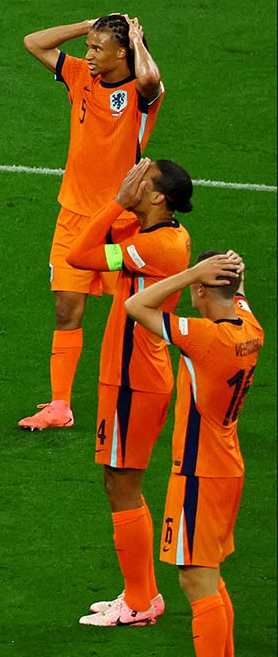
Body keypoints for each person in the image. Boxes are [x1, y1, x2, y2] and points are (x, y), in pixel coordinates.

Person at [18, 14, 163, 431]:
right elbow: (34, 41)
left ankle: (140, 393)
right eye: (90, 46)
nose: (89, 54)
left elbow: (152, 79)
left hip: (122, 220)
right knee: (66, 309)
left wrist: (138, 41)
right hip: (74, 217)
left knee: (134, 312)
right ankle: (59, 406)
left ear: (124, 53)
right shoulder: (81, 74)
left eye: (99, 48)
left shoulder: (140, 91)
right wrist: (85, 26)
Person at [66, 157, 193, 626]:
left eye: (144, 178)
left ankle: (140, 602)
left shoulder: (157, 247)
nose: (133, 180)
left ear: (158, 196)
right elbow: (104, 238)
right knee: (117, 482)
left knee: (122, 484)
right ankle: (141, 593)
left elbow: (79, 253)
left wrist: (118, 201)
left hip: (133, 381)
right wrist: (122, 202)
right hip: (129, 377)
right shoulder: (155, 235)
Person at [125, 250, 262, 656]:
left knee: (196, 584)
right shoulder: (249, 327)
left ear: (202, 289)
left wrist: (190, 273)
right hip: (226, 467)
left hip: (199, 474)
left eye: (196, 288)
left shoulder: (206, 338)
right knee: (210, 579)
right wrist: (230, 270)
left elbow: (137, 305)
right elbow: (237, 293)